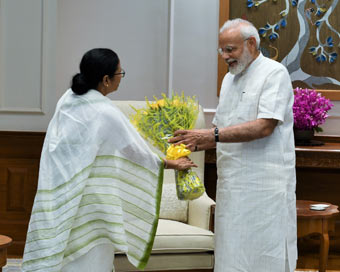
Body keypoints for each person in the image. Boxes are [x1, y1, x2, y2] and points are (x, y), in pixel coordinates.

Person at [22, 48, 196, 272]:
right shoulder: (105, 111)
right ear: (105, 80)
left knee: (66, 251)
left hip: (60, 188)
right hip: (92, 197)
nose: (121, 77)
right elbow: (135, 151)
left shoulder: (68, 98)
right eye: (119, 73)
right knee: (90, 252)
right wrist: (171, 163)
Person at [169, 18, 297, 272]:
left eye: (231, 49)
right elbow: (221, 127)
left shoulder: (274, 73)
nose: (225, 56)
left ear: (251, 43)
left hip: (264, 187)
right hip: (231, 185)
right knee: (231, 254)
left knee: (263, 253)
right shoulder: (229, 79)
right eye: (222, 50)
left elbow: (264, 126)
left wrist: (210, 136)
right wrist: (191, 142)